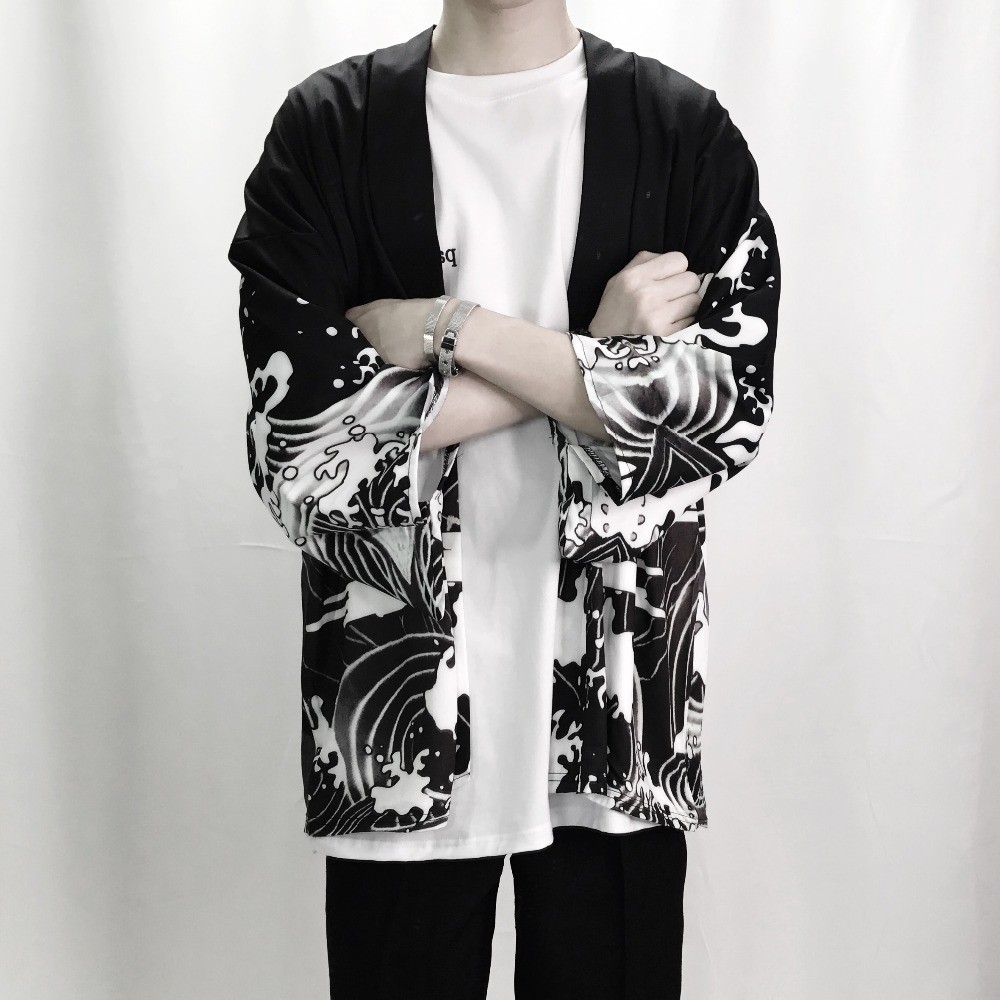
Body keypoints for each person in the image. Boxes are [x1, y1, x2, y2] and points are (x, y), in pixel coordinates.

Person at [228, 1, 780, 997]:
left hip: (619, 718)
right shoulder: (328, 130)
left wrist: (450, 327)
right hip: (395, 728)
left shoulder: (681, 130)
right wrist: (599, 356)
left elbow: (721, 413)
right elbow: (298, 442)